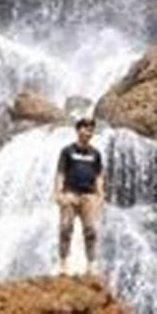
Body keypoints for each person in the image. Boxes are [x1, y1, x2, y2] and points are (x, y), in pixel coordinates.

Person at [54, 116, 105, 275]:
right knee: (65, 228)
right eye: (84, 128)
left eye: (90, 130)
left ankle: (91, 265)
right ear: (78, 130)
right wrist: (58, 192)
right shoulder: (67, 151)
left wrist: (100, 195)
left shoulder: (96, 154)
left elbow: (98, 175)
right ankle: (63, 263)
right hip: (70, 193)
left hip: (89, 195)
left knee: (90, 229)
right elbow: (60, 172)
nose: (88, 132)